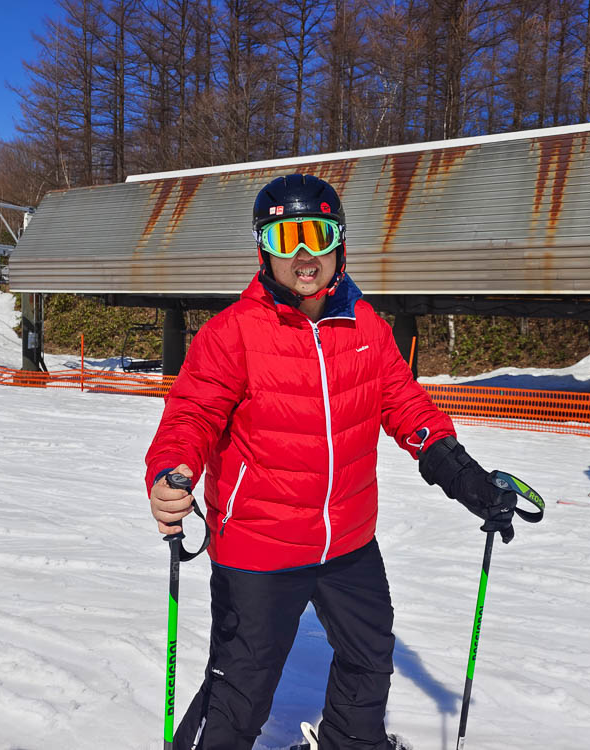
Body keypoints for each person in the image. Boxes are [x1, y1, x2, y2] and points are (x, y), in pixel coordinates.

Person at [144, 173, 517, 750]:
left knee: (370, 657)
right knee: (241, 690)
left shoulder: (364, 324)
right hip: (259, 543)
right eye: (285, 237)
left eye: (315, 234)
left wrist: (461, 473)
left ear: (337, 241)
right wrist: (173, 471)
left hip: (347, 537)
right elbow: (192, 415)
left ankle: (351, 743)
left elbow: (405, 403)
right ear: (263, 249)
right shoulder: (233, 334)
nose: (303, 254)